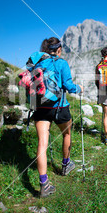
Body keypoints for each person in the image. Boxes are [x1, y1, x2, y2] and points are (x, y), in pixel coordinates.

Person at [32, 37, 83, 198]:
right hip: (60, 108)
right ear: (59, 49)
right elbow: (68, 86)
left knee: (42, 144)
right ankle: (66, 165)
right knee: (66, 133)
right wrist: (78, 88)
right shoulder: (62, 64)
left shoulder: (38, 63)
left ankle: (44, 184)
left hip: (41, 108)